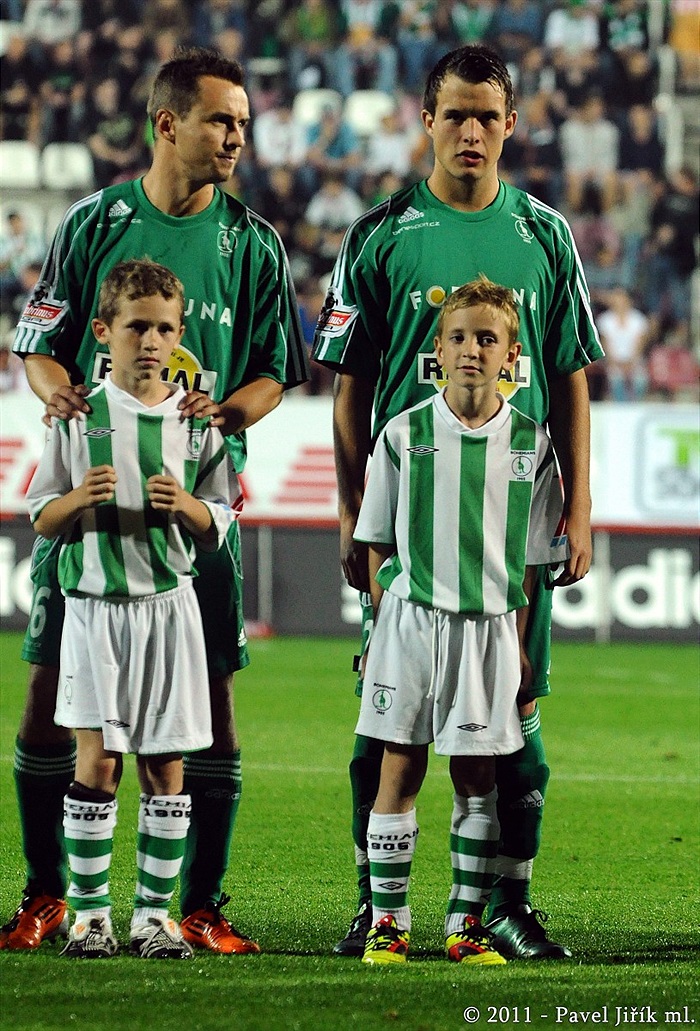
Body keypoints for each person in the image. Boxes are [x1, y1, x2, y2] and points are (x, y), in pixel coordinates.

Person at [3, 46, 308, 955]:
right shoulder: (95, 222)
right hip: (95, 511)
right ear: (168, 122)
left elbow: (272, 375)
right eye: (222, 121)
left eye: (244, 125)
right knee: (51, 695)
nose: (237, 140)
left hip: (190, 505)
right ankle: (48, 893)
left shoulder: (252, 243)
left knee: (208, 702)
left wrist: (223, 412)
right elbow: (41, 342)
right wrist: (58, 391)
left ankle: (199, 903)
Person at [312, 43, 603, 961]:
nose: (471, 131)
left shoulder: (545, 235)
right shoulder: (380, 233)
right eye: (455, 115)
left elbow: (569, 382)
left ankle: (505, 904)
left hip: (510, 525)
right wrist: (353, 511)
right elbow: (350, 390)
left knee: (519, 724)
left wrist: (580, 510)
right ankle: (378, 905)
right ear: (426, 119)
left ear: (511, 123)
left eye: (488, 116)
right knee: (384, 734)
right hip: (410, 528)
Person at [25, 259, 241, 960]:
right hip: (94, 608)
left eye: (164, 328)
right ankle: (91, 916)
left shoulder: (193, 420)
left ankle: (153, 916)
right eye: (136, 326)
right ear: (103, 331)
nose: (150, 340)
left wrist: (191, 509)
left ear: (180, 336)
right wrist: (77, 500)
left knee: (165, 763)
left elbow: (223, 512)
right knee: (98, 760)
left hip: (169, 609)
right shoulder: (80, 414)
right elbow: (40, 515)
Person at [355, 277, 568, 966]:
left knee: (477, 776)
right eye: (458, 337)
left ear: (511, 356)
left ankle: (464, 925)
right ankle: (389, 922)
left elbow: (534, 562)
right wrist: (392, 615)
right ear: (438, 350)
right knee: (400, 768)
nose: (471, 349)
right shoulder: (403, 433)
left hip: (488, 631)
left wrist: (524, 643)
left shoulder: (532, 444)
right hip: (412, 627)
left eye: (487, 338)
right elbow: (375, 542)